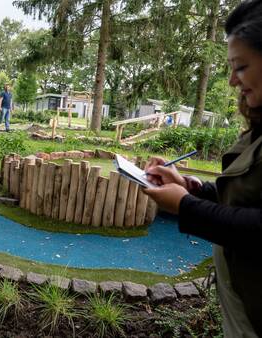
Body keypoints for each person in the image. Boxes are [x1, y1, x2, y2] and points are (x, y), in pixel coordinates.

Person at [144, 1, 262, 336]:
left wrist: (184, 205)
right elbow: (247, 199)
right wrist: (192, 186)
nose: (232, 81)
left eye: (240, 66)